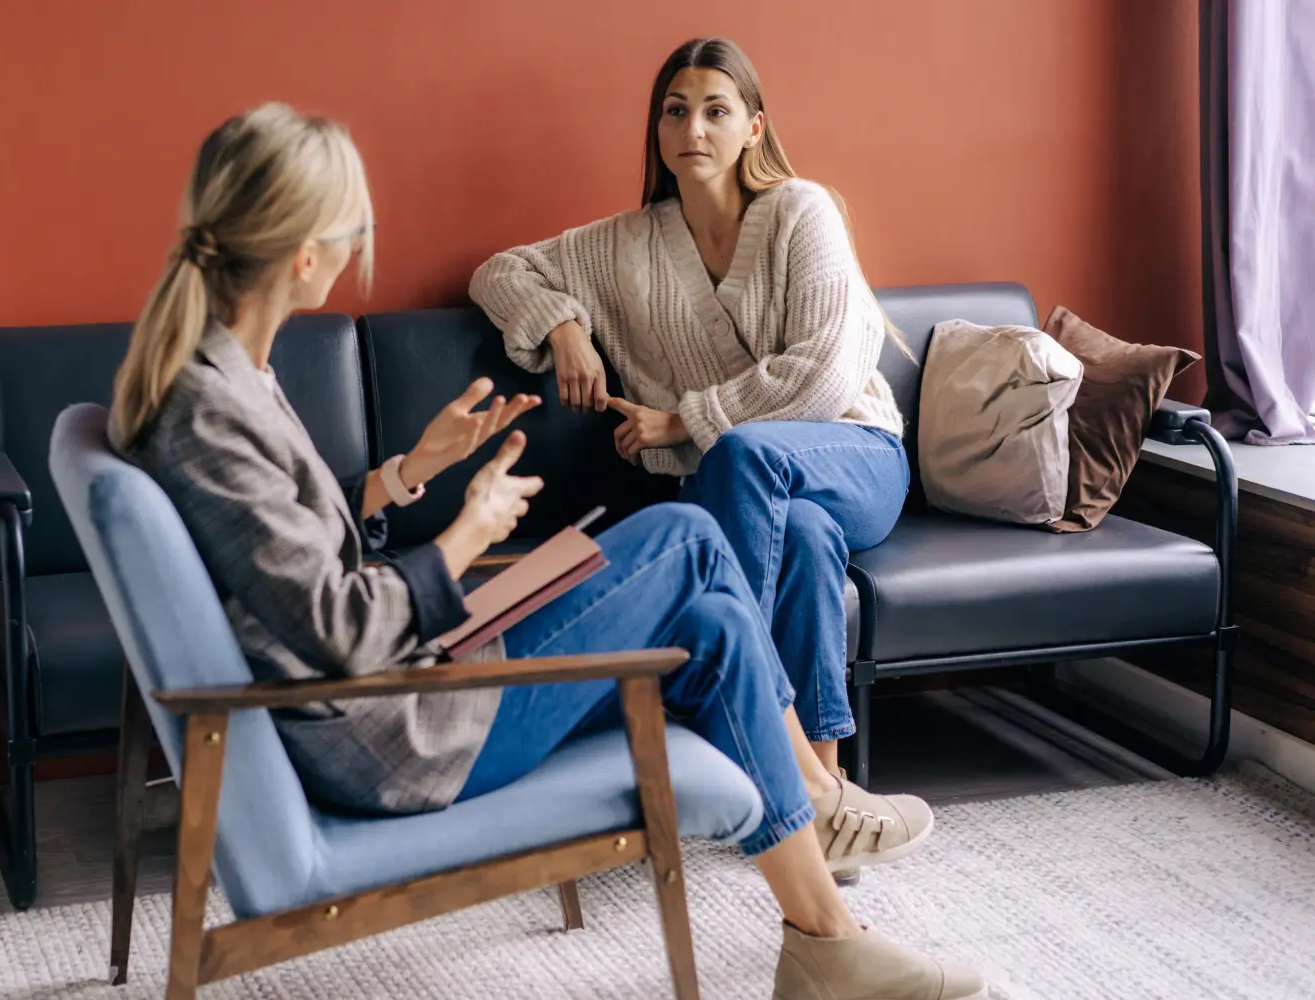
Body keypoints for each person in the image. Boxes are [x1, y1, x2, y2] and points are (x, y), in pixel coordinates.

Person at [110, 103, 985, 999]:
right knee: (685, 538)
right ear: (303, 254)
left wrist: (411, 471)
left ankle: (823, 939)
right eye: (355, 231)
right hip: (396, 731)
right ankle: (819, 809)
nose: (357, 247)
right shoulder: (208, 407)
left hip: (406, 684)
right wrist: (465, 536)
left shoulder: (222, 376)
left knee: (717, 619)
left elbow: (290, 553)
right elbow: (334, 628)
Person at [470, 36, 912, 829]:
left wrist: (682, 420)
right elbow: (500, 271)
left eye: (716, 110)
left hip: (856, 454)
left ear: (753, 127)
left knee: (742, 453)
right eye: (676, 112)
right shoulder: (627, 244)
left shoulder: (801, 212)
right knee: (803, 538)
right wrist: (565, 326)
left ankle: (738, 726)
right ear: (658, 129)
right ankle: (824, 791)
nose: (693, 129)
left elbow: (824, 376)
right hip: (759, 488)